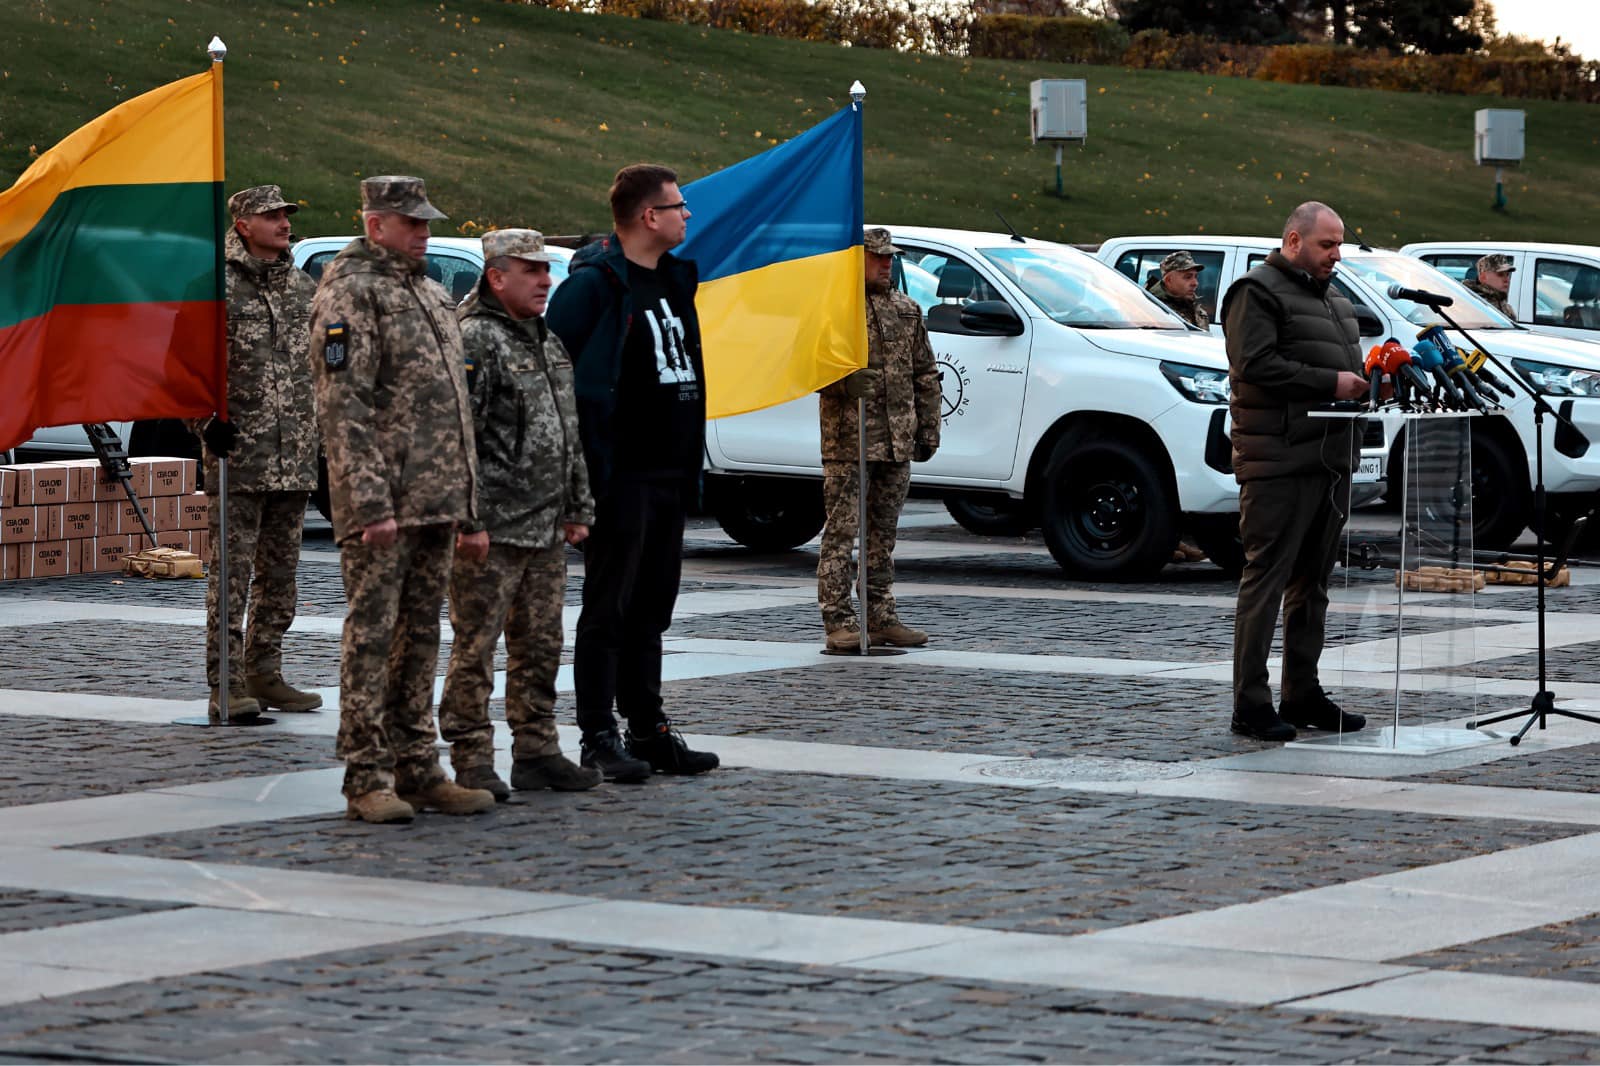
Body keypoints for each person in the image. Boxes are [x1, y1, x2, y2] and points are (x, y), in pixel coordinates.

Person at [307, 175, 495, 823]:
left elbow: (456, 413)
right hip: (383, 502)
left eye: (426, 223)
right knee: (373, 636)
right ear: (375, 224)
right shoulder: (351, 293)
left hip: (435, 497)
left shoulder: (431, 293)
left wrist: (468, 507)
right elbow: (344, 406)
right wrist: (366, 502)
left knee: (420, 637)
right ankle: (366, 775)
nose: (424, 234)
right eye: (411, 224)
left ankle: (419, 767)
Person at [545, 163, 719, 783]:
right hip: (618, 477)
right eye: (677, 206)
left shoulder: (674, 281)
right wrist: (580, 480)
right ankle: (598, 733)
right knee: (608, 611)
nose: (686, 216)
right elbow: (554, 379)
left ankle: (648, 728)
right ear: (649, 216)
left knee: (652, 609)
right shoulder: (593, 287)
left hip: (668, 473)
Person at [436, 229, 601, 800]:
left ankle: (537, 750)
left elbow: (567, 430)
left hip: (545, 525)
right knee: (476, 648)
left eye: (544, 271)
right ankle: (472, 755)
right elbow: (459, 439)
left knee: (540, 646)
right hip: (494, 530)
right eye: (530, 272)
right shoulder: (475, 340)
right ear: (496, 276)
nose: (545, 281)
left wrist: (578, 506)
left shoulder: (546, 340)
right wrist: (467, 519)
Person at [1222, 201, 1369, 743]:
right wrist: (1332, 384)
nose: (1337, 255)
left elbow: (1344, 373)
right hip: (1278, 461)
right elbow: (1254, 365)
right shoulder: (1254, 292)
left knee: (1314, 584)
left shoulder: (1335, 301)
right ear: (1292, 242)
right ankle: (1251, 703)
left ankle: (1302, 692)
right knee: (1267, 578)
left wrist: (1368, 386)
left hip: (1329, 463)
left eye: (1340, 244)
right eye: (1327, 244)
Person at [199, 184, 322, 723]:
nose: (283, 223)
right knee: (230, 577)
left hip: (293, 457)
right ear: (243, 224)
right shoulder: (215, 287)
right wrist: (204, 424)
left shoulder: (303, 288)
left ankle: (265, 670)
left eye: (286, 215)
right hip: (238, 460)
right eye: (271, 215)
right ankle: (225, 683)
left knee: (281, 578)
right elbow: (185, 367)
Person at [816, 227, 942, 653]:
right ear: (857, 260)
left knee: (882, 536)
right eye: (877, 257)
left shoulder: (907, 310)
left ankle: (881, 614)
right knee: (842, 533)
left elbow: (925, 372)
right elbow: (812, 365)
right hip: (850, 440)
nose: (887, 263)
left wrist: (928, 428)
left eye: (890, 257)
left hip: (896, 439)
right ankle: (838, 620)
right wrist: (843, 383)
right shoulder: (837, 310)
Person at [1147, 250, 1211, 329]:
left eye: (1195, 276)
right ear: (1169, 280)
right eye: (1188, 277)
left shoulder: (1197, 311)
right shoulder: (1154, 311)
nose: (1195, 283)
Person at [1463, 253, 1516, 319]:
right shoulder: (1474, 303)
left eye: (1507, 275)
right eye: (1500, 275)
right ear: (1483, 278)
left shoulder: (1506, 306)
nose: (1507, 280)